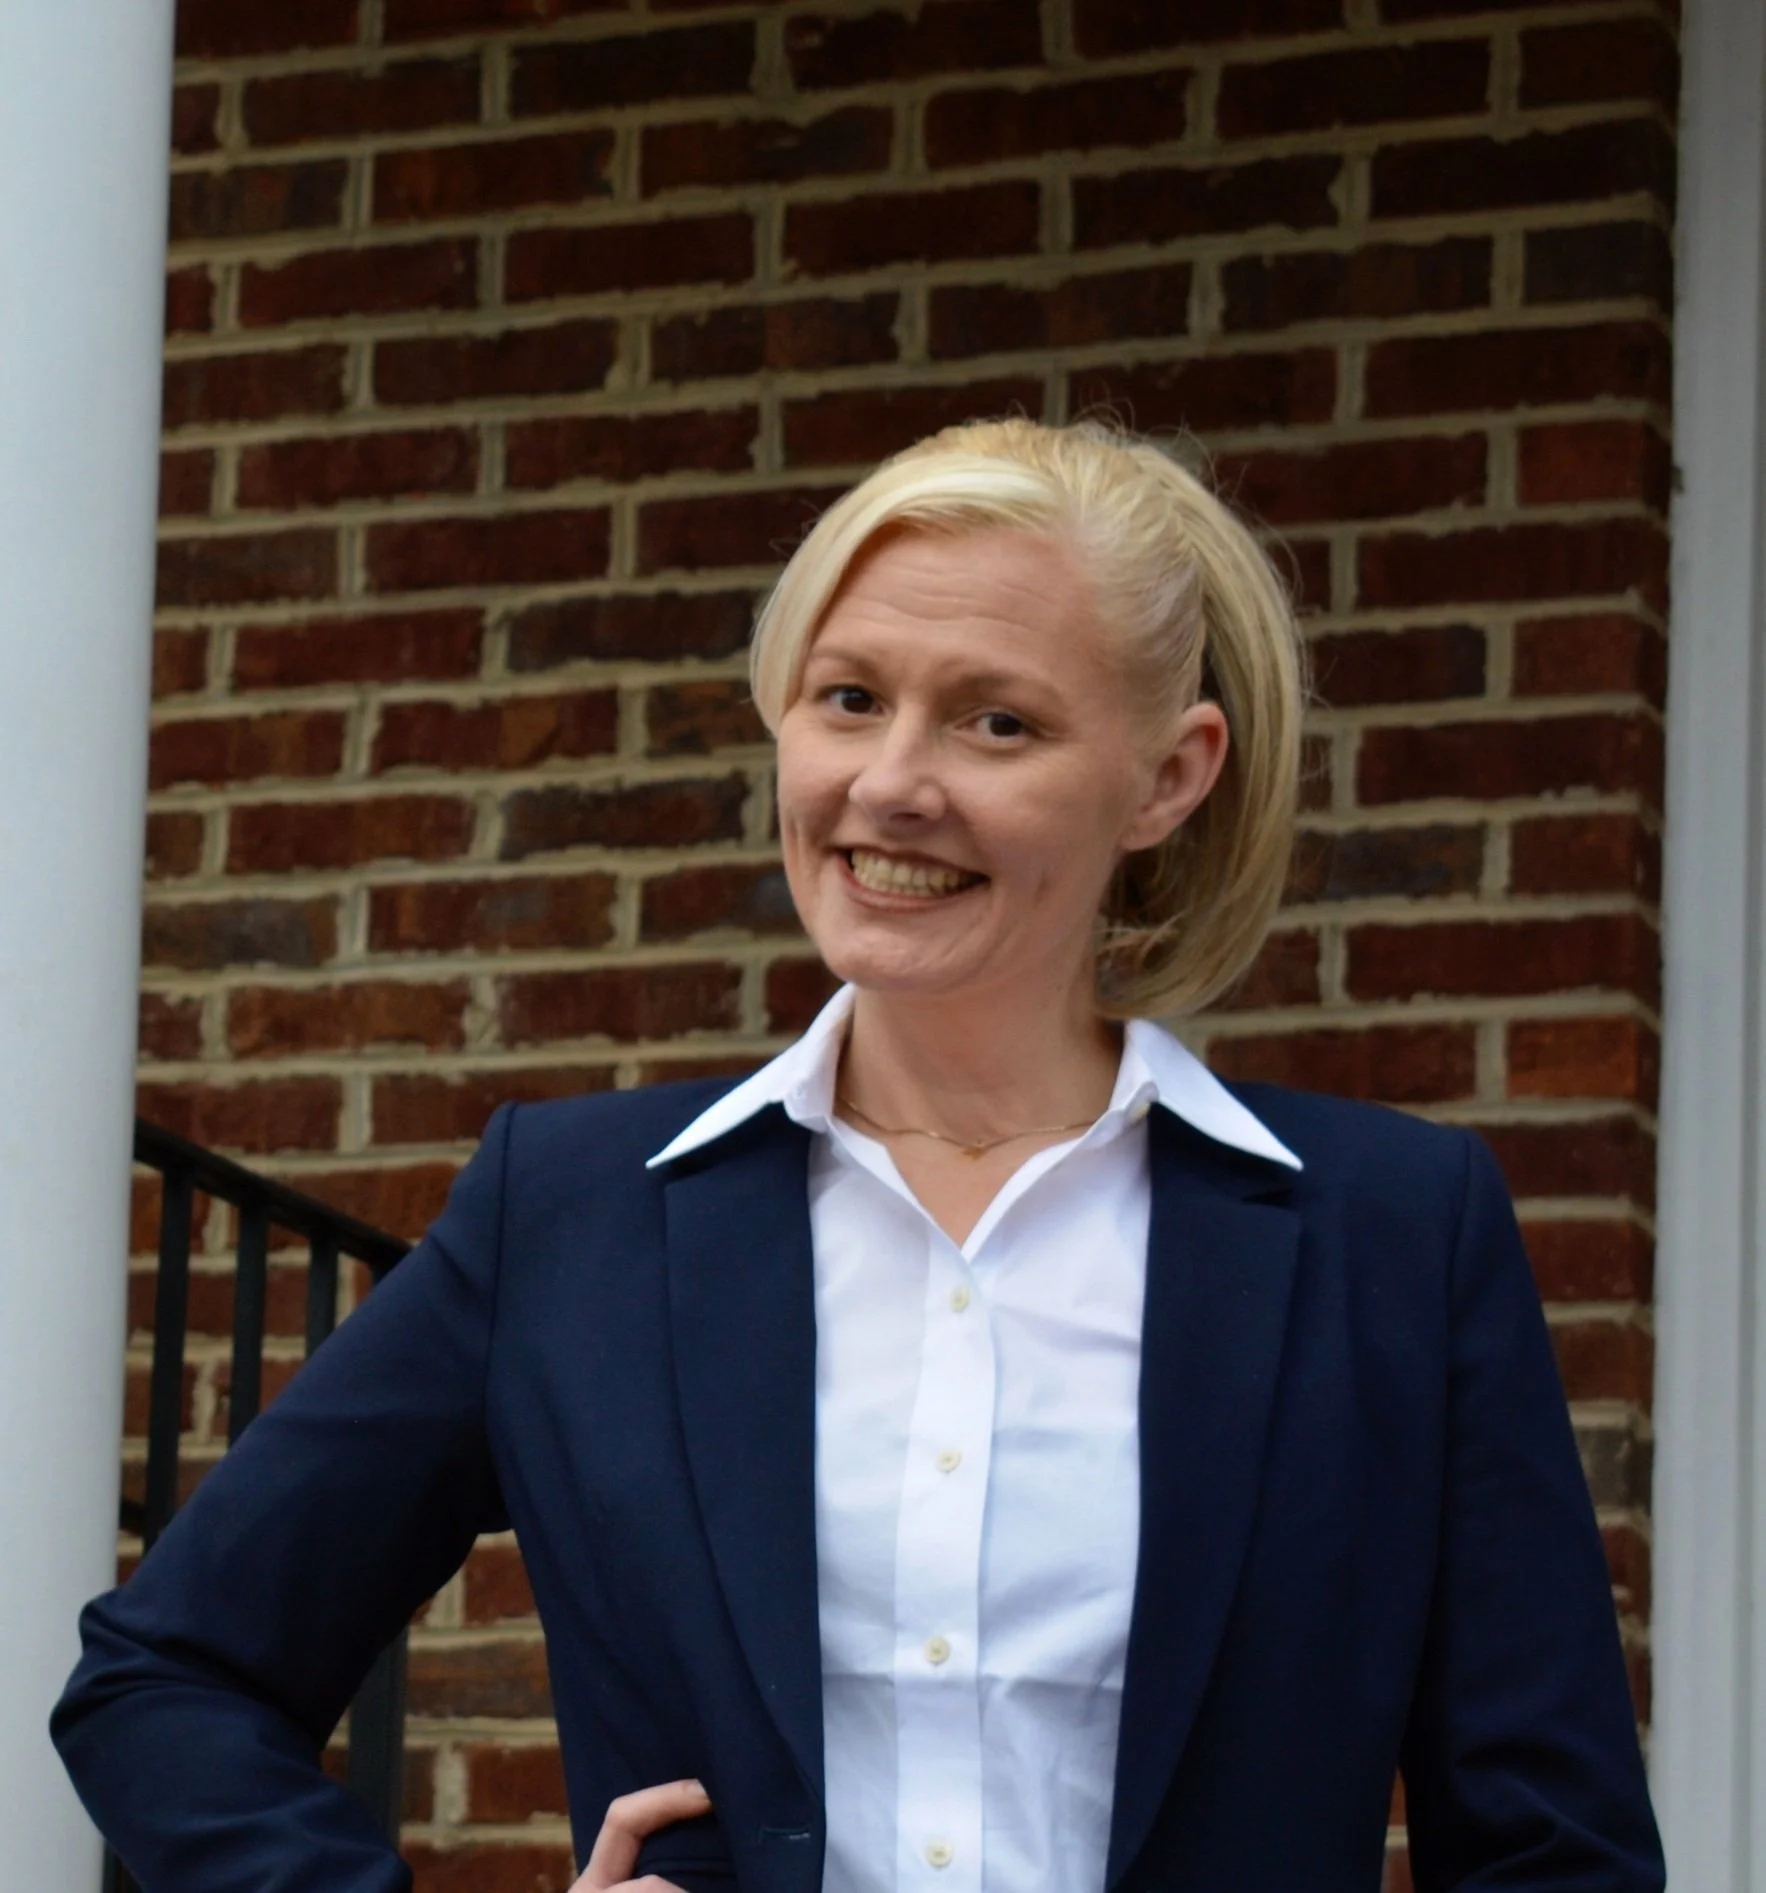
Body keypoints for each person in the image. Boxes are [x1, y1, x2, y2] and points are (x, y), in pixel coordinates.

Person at [52, 418, 1663, 1893]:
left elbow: (1552, 1846)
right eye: (847, 698)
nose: (890, 787)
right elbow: (167, 1679)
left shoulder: (1394, 1237)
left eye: (996, 720)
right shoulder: (573, 1217)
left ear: (1168, 777)